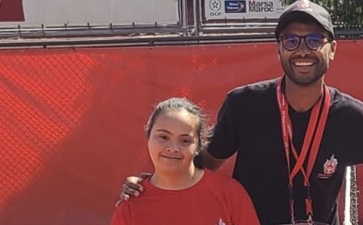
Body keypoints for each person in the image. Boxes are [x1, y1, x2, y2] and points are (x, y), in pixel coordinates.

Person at [118, 1, 363, 225]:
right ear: (279, 49)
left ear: (333, 49)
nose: (302, 50)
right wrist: (153, 183)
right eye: (290, 41)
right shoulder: (244, 104)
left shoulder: (352, 117)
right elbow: (205, 164)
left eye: (314, 40)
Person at [111, 97, 260, 225]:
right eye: (163, 137)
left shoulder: (229, 193)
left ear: (198, 146)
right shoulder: (131, 203)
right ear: (148, 136)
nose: (173, 148)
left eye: (185, 140)